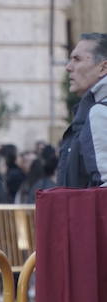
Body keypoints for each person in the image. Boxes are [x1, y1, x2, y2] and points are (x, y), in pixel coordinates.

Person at [57, 32, 107, 187]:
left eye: (76, 59)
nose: (68, 67)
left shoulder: (99, 113)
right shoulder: (91, 110)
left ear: (103, 67)